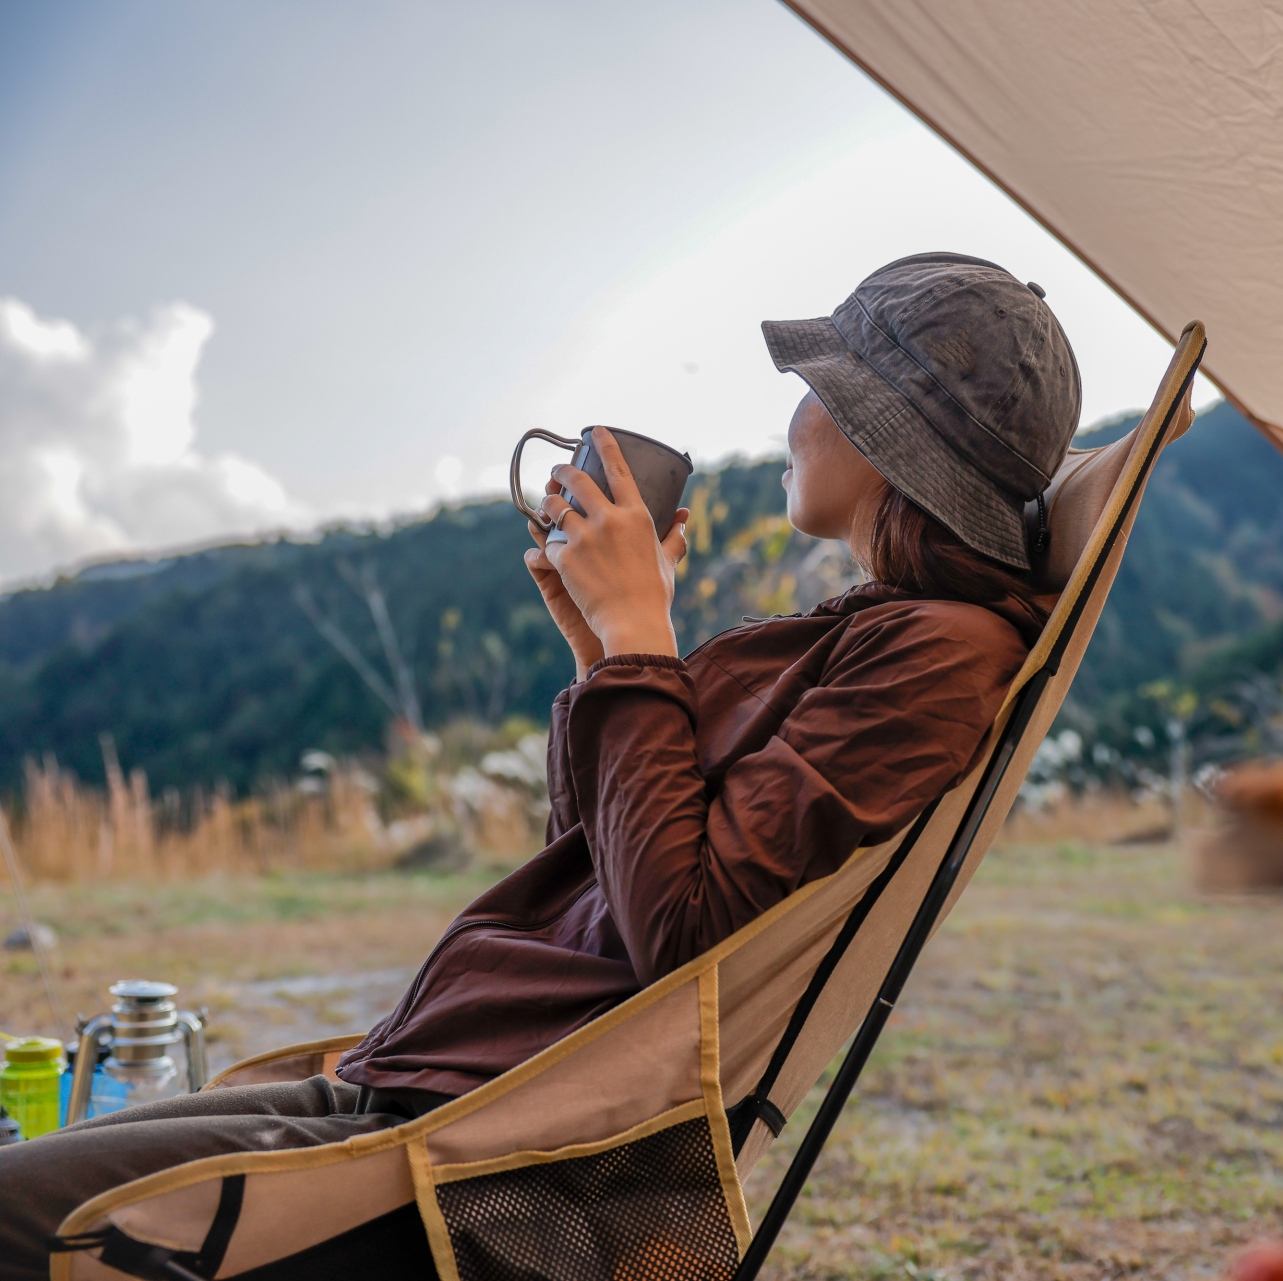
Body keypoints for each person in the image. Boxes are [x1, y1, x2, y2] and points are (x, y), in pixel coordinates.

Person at [0, 252, 1081, 1274]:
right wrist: (600, 649)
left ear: (882, 435)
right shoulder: (873, 633)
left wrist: (643, 643)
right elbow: (606, 867)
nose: (797, 411)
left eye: (822, 387)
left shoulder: (939, 652)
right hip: (441, 1074)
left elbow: (681, 930)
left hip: (490, 1145)